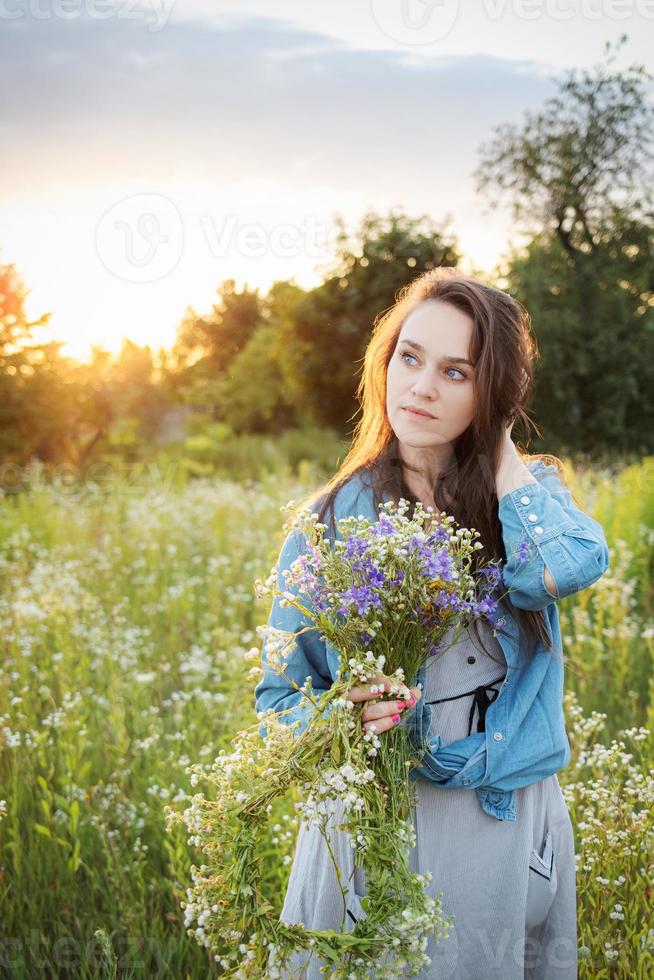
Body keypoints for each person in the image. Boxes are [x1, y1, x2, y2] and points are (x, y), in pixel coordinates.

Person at [255, 267, 610, 979]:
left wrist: (503, 456)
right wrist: (336, 719)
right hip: (373, 819)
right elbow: (277, 701)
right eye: (410, 358)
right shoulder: (329, 520)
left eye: (458, 373)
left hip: (496, 818)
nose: (421, 386)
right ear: (384, 363)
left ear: (493, 394)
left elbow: (565, 568)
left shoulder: (526, 499)